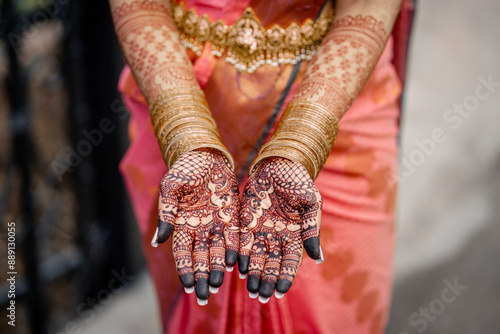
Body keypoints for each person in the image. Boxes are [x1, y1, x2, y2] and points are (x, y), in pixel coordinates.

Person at [109, 0, 414, 332]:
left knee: (335, 309)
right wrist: (187, 134)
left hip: (335, 98)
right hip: (173, 80)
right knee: (197, 293)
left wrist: (301, 142)